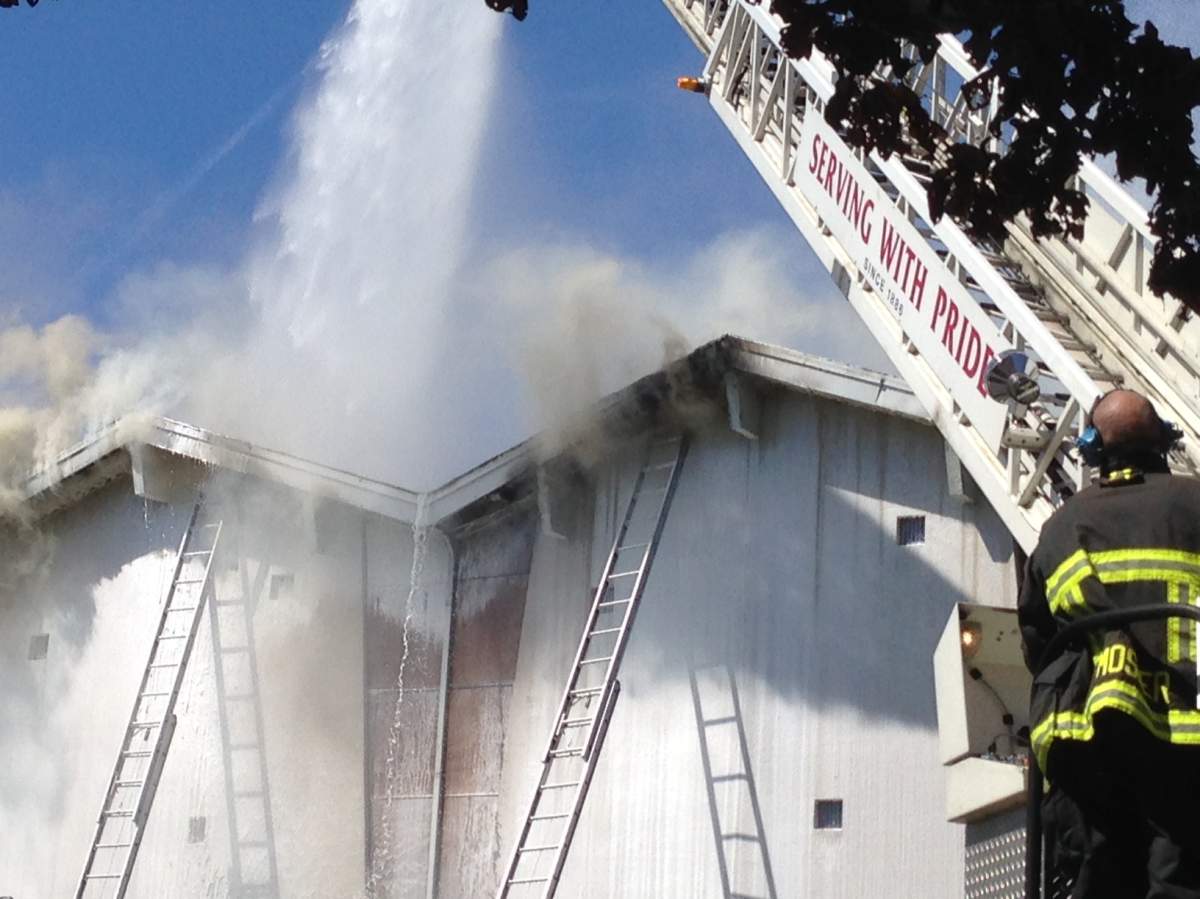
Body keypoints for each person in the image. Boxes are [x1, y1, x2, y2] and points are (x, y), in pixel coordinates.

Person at [1019, 388, 1200, 899]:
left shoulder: (1058, 528)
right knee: (1181, 867)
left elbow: (1038, 642)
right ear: (1164, 440)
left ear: (1092, 449)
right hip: (1186, 734)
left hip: (1083, 732)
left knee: (1098, 869)